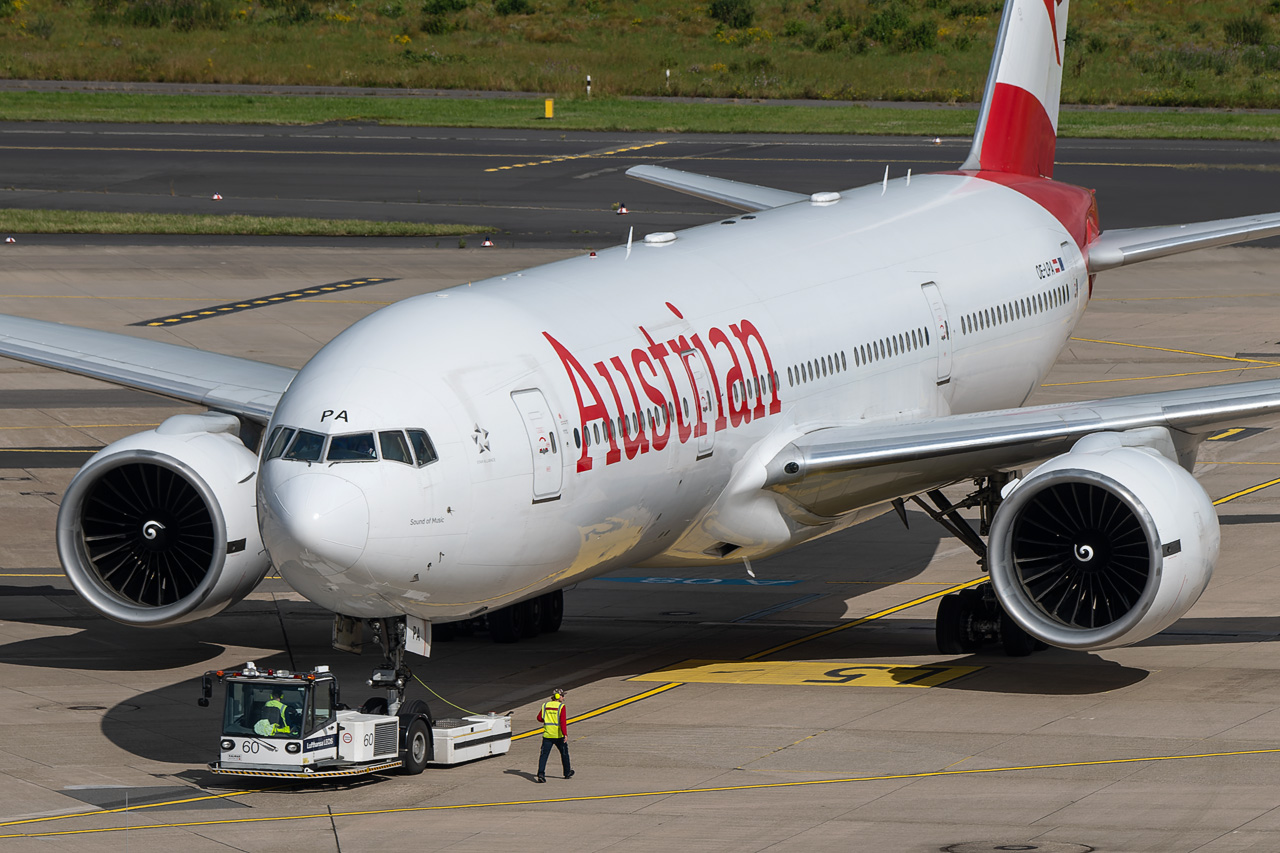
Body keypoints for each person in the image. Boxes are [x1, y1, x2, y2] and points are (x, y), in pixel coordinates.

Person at [535, 688, 573, 783]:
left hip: (547, 735)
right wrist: (565, 734)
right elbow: (563, 722)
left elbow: (539, 718)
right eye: (562, 696)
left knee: (544, 755)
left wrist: (548, 720)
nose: (563, 698)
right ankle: (567, 772)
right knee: (564, 754)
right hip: (558, 735)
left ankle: (541, 774)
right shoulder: (561, 707)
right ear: (557, 696)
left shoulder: (545, 705)